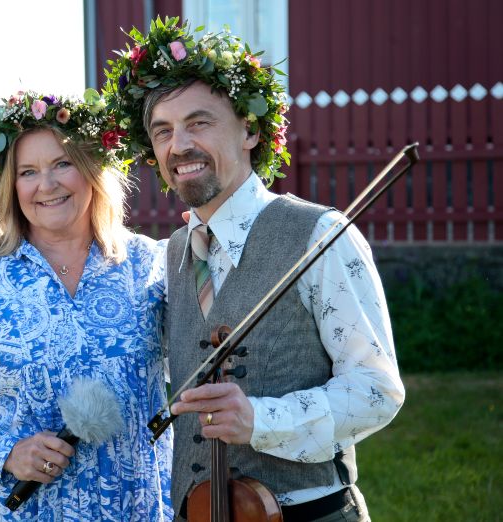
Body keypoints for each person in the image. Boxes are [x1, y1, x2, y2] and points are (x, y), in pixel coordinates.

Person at [102, 18, 405, 521]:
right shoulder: (175, 251)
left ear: (250, 129)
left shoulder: (320, 235)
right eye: (163, 131)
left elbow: (377, 390)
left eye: (199, 123)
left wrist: (260, 419)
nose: (179, 146)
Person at [0, 91, 173, 521]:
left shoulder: (150, 265)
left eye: (62, 164)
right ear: (11, 187)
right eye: (28, 172)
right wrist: (8, 453)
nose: (46, 185)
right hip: (9, 510)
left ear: (92, 171)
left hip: (130, 507)